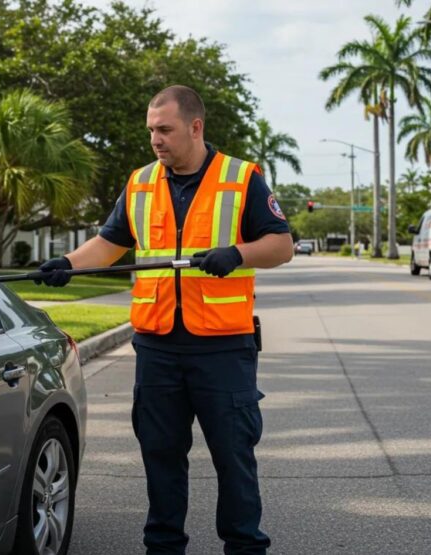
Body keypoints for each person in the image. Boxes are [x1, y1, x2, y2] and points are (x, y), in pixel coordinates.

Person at [36, 85, 293, 555]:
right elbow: (111, 243)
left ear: (195, 127)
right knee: (160, 456)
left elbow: (282, 244)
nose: (156, 139)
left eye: (165, 130)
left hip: (222, 347)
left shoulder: (241, 178)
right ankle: (164, 546)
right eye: (152, 130)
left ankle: (244, 547)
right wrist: (70, 264)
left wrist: (236, 252)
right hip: (157, 347)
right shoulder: (140, 182)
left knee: (233, 458)